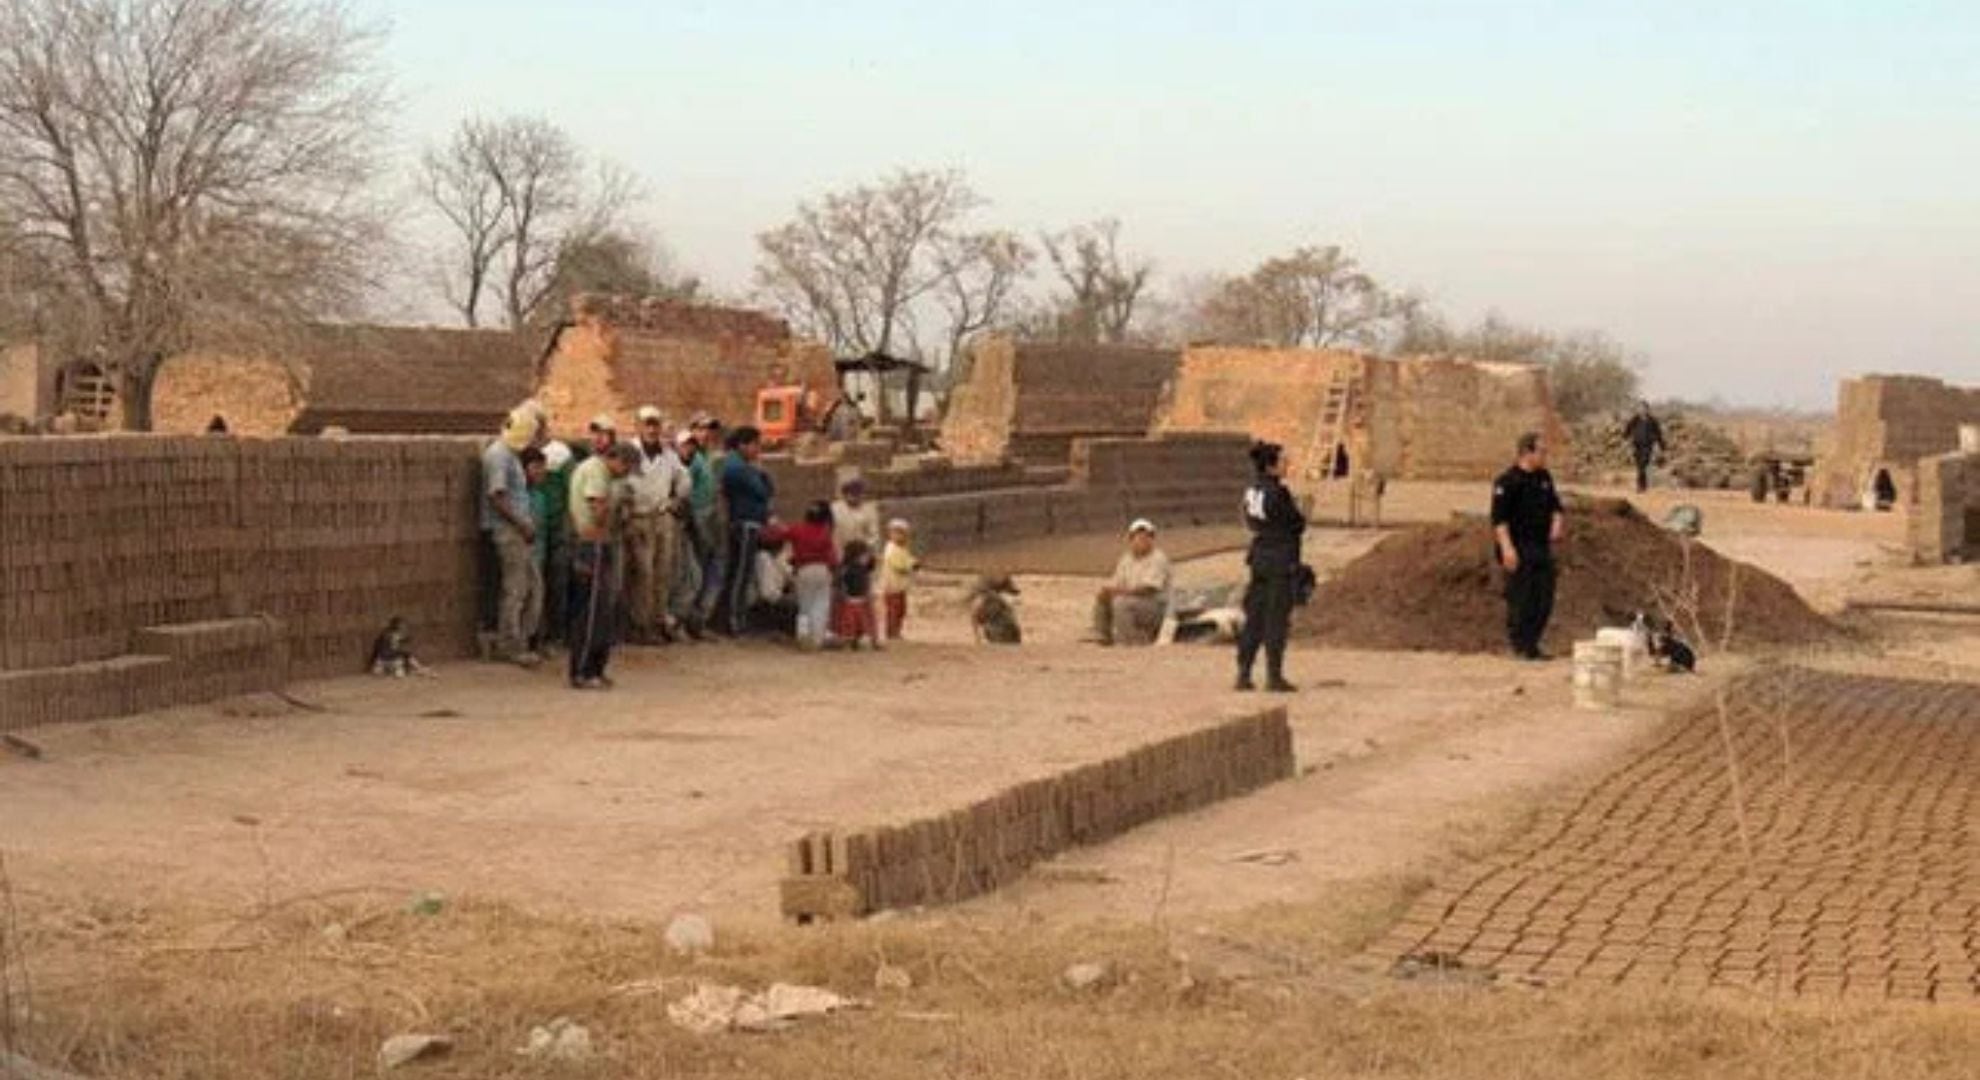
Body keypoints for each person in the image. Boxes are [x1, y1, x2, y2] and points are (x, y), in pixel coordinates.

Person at [567, 442, 641, 689]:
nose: (626, 474)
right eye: (626, 468)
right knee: (592, 612)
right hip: (593, 544)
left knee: (604, 611)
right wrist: (616, 504)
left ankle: (594, 669)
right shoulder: (597, 472)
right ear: (617, 459)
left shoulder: (602, 472)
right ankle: (583, 671)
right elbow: (598, 511)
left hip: (599, 543)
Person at [1235, 442, 1305, 693]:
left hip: (1260, 556)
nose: (1286, 465)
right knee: (1276, 618)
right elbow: (1296, 523)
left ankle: (1244, 672)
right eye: (1282, 461)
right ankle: (1274, 675)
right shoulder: (1278, 493)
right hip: (1279, 559)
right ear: (1271, 465)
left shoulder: (1252, 490)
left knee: (1254, 616)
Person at [1492, 431, 1568, 661]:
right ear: (1527, 453)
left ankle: (1533, 644)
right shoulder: (1506, 482)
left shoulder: (1544, 477)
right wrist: (1507, 549)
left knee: (1543, 598)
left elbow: (1556, 506)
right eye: (1542, 451)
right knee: (1521, 598)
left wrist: (1557, 523)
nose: (1546, 456)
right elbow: (1499, 521)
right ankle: (1520, 646)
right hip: (1518, 547)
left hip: (1540, 547)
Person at [481, 407, 543, 667]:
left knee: (532, 586)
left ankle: (521, 640)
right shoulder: (499, 456)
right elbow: (497, 495)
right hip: (508, 531)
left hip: (517, 530)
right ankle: (509, 644)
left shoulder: (509, 455)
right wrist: (520, 524)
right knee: (516, 589)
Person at [626, 405, 691, 644]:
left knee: (663, 573)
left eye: (655, 424)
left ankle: (656, 621)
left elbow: (684, 478)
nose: (652, 429)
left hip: (662, 517)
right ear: (639, 426)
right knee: (643, 574)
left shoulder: (668, 454)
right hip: (639, 517)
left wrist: (677, 500)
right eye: (648, 424)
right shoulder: (630, 451)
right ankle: (639, 625)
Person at [718, 425, 776, 636]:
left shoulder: (740, 465)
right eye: (755, 445)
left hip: (746, 523)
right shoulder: (738, 468)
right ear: (743, 445)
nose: (758, 449)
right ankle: (733, 620)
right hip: (744, 524)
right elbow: (763, 491)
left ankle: (734, 617)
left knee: (739, 573)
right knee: (740, 573)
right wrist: (761, 474)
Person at [1090, 519, 1173, 647]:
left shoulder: (1158, 558)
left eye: (1146, 537)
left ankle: (1129, 640)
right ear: (1131, 540)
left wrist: (1121, 592)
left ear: (1152, 540)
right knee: (1103, 597)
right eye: (1138, 537)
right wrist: (1107, 592)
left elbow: (1149, 589)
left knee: (1121, 603)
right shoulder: (1126, 559)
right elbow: (1116, 582)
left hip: (1157, 605)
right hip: (1135, 600)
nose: (1142, 541)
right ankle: (1103, 635)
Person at [768, 502, 838, 649]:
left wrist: (773, 524)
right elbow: (833, 558)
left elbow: (777, 536)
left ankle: (803, 636)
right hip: (823, 570)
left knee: (805, 606)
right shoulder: (825, 532)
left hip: (804, 570)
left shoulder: (798, 529)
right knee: (821, 605)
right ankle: (817, 639)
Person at [683, 415, 727, 637]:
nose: (706, 433)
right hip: (696, 518)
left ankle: (701, 619)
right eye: (700, 428)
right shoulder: (690, 458)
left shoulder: (711, 458)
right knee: (695, 571)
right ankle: (688, 620)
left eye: (709, 429)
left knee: (714, 567)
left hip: (712, 516)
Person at [830, 476, 882, 638]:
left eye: (858, 494)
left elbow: (874, 535)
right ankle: (841, 631)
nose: (855, 498)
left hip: (861, 559)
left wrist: (866, 553)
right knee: (839, 595)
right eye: (851, 494)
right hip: (838, 556)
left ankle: (868, 632)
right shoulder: (835, 510)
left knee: (864, 597)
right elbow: (831, 533)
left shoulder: (869, 510)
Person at [878, 518, 919, 641]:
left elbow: (907, 559)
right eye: (896, 533)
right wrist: (911, 566)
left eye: (902, 533)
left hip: (900, 587)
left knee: (901, 609)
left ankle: (896, 630)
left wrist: (913, 562)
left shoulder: (902, 549)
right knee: (893, 610)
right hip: (892, 587)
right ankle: (891, 632)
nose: (900, 536)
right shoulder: (891, 549)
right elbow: (898, 565)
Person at [838, 539, 881, 650]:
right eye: (865, 555)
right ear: (857, 556)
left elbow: (872, 564)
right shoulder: (853, 569)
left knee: (858, 622)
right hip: (853, 600)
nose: (866, 558)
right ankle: (851, 641)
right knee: (852, 622)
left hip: (858, 600)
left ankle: (856, 640)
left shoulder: (858, 568)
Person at [1622, 401, 1665, 494]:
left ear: (1647, 409)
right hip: (1636, 445)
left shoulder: (1652, 420)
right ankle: (1643, 486)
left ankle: (1639, 486)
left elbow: (1659, 433)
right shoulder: (1634, 419)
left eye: (1644, 408)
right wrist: (1625, 441)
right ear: (1638, 410)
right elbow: (1627, 430)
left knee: (1643, 464)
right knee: (1639, 466)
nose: (1642, 410)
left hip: (1648, 446)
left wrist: (1661, 446)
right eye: (1640, 408)